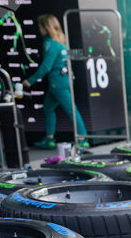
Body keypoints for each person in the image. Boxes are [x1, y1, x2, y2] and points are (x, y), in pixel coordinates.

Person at [22, 14, 89, 149]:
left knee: (71, 110)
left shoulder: (51, 44)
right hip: (63, 81)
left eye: (40, 26)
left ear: (46, 28)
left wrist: (30, 81)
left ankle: (83, 140)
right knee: (48, 108)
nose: (39, 29)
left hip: (57, 83)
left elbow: (47, 66)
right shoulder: (60, 42)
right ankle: (50, 139)